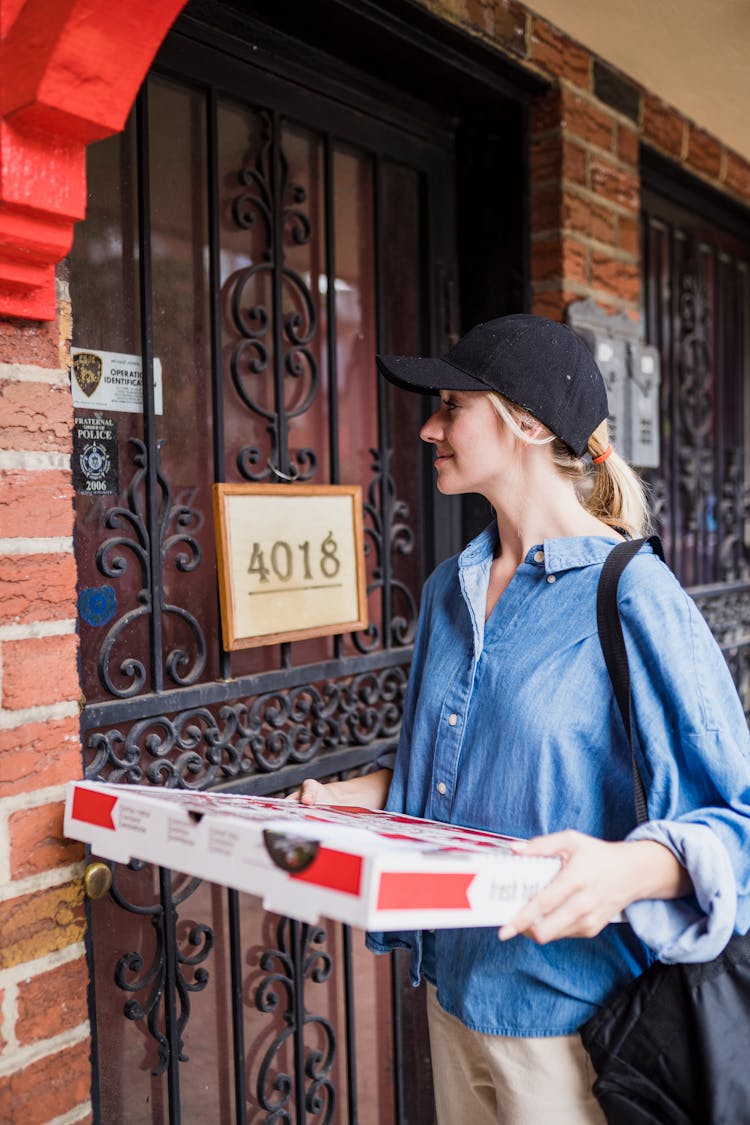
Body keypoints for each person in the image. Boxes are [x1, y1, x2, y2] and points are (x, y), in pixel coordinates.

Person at [290, 314, 750, 1124]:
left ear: (528, 423)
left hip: (573, 1026)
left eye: (451, 407)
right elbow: (475, 769)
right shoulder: (448, 591)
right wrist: (360, 795)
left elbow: (736, 821)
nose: (430, 427)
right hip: (450, 996)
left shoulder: (633, 594)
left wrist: (628, 868)